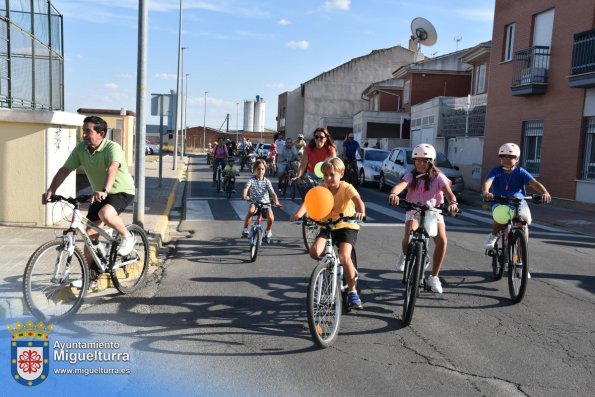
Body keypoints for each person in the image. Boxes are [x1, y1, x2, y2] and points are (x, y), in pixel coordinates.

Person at [41, 116, 137, 282]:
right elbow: (65, 169)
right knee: (89, 238)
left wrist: (105, 190)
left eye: (88, 131)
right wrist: (51, 190)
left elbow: (112, 168)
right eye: (83, 130)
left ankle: (128, 236)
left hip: (121, 190)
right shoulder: (81, 149)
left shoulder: (112, 147)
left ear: (100, 133)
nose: (83, 134)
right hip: (98, 193)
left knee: (106, 214)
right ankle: (93, 277)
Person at [290, 157, 366, 309]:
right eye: (325, 175)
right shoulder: (322, 187)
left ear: (341, 173)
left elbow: (358, 200)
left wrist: (360, 211)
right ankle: (329, 264)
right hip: (327, 225)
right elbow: (309, 200)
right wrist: (298, 214)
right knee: (313, 251)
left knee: (345, 256)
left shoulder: (346, 187)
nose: (328, 178)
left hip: (346, 225)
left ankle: (352, 292)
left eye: (332, 174)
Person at [387, 143, 459, 294]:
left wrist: (452, 202)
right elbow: (400, 185)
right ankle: (405, 254)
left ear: (431, 162)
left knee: (442, 241)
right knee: (407, 238)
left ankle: (434, 277)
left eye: (425, 161)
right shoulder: (411, 175)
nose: (421, 163)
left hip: (434, 212)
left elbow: (449, 193)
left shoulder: (438, 177)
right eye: (418, 160)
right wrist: (394, 194)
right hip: (414, 210)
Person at [482, 142, 551, 250]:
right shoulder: (495, 171)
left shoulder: (521, 172)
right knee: (501, 216)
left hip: (518, 201)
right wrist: (486, 192)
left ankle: (521, 252)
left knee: (523, 222)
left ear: (517, 158)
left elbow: (534, 183)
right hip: (499, 201)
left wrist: (544, 192)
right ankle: (493, 236)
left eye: (510, 156)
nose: (506, 159)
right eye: (503, 156)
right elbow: (487, 182)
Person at [242, 159, 281, 241]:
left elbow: (273, 193)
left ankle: (268, 231)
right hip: (254, 202)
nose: (260, 171)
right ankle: (245, 230)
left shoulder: (267, 181)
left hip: (266, 203)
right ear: (255, 170)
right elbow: (246, 188)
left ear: (265, 170)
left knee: (271, 218)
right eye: (258, 169)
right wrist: (245, 196)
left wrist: (276, 201)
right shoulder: (251, 179)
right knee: (251, 211)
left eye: (262, 169)